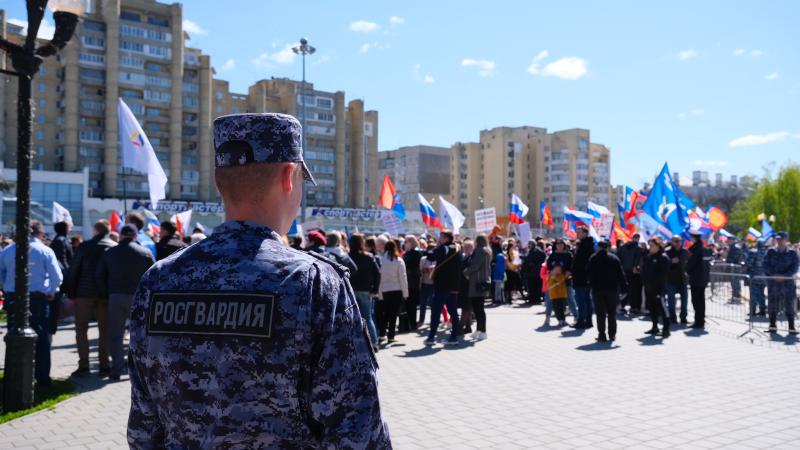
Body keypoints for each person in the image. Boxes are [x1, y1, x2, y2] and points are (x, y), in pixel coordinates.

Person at [127, 113, 390, 448]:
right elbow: (358, 431)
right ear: (288, 177)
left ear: (218, 180)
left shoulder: (158, 280)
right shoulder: (313, 283)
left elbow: (144, 427)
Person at [0, 220, 63, 386]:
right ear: (40, 233)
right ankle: (42, 378)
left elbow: (1, 273)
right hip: (37, 298)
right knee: (41, 339)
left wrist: (6, 288)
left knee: (13, 335)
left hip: (14, 297)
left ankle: (13, 376)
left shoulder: (8, 250)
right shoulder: (44, 250)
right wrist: (51, 291)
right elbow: (57, 277)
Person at [95, 225, 154, 381]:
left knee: (115, 335)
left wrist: (107, 294)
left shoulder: (110, 252)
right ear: (135, 236)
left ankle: (116, 369)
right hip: (138, 297)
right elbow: (154, 276)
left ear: (121, 236)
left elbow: (99, 275)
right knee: (139, 335)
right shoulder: (145, 253)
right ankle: (139, 370)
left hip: (115, 296)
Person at [64, 219, 116, 376]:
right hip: (105, 295)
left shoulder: (84, 246)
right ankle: (104, 365)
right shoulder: (113, 247)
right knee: (105, 330)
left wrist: (71, 293)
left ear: (95, 230)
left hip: (84, 293)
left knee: (81, 329)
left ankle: (84, 365)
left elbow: (74, 270)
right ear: (108, 231)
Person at [424, 230, 462, 346]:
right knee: (453, 311)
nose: (439, 238)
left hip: (442, 285)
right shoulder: (457, 247)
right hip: (454, 285)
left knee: (436, 311)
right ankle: (454, 336)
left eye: (440, 236)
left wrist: (434, 247)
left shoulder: (444, 248)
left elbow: (430, 256)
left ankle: (431, 337)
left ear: (446, 238)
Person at [587, 240, 627, 342]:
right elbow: (621, 275)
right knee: (612, 313)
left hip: (598, 291)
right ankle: (612, 335)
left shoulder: (593, 258)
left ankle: (602, 335)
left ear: (599, 247)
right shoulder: (614, 258)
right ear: (607, 248)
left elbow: (589, 275)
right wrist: (624, 289)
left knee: (600, 314)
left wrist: (591, 287)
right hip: (612, 290)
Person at [349, 233, 381, 351]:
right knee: (367, 317)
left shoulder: (347, 257)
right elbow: (377, 273)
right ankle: (373, 342)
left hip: (351, 290)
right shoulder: (368, 257)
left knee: (352, 318)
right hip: (365, 291)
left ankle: (353, 342)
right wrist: (375, 290)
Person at [763, 232, 798, 333]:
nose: (779, 241)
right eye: (777, 239)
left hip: (787, 283)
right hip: (773, 282)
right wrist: (773, 274)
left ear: (786, 240)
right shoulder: (771, 251)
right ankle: (772, 326)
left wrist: (784, 276)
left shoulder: (792, 252)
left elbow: (795, 267)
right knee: (772, 304)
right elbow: (765, 264)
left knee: (789, 304)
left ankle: (791, 327)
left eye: (781, 239)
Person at [377, 240, 408, 344]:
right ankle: (391, 336)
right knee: (394, 314)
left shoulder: (381, 260)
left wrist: (379, 293)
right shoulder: (399, 260)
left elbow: (379, 279)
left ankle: (382, 334)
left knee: (385, 313)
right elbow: (403, 278)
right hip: (397, 290)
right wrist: (405, 293)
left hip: (385, 290)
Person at [641, 237, 671, 338]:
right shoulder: (649, 257)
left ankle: (666, 329)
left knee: (663, 309)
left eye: (652, 245)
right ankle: (654, 327)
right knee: (652, 309)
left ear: (658, 246)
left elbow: (663, 275)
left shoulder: (663, 258)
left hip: (659, 289)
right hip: (649, 288)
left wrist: (660, 289)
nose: (650, 247)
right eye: (649, 245)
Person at [465, 234, 492, 340]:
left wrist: (465, 272)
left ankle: (483, 331)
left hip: (477, 282)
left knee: (478, 309)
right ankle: (479, 330)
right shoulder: (487, 251)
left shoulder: (480, 251)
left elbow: (475, 266)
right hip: (482, 281)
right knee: (478, 309)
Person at [49, 221, 73, 335]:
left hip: (62, 272)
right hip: (62, 273)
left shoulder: (59, 239)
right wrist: (68, 273)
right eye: (68, 227)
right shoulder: (61, 240)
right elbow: (62, 259)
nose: (70, 229)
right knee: (57, 299)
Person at [686, 230, 711, 329]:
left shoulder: (695, 250)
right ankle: (701, 319)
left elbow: (690, 264)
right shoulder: (705, 249)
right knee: (701, 300)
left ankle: (698, 321)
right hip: (704, 278)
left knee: (696, 300)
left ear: (693, 238)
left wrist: (686, 270)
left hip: (696, 278)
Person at [571, 227, 595, 329]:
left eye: (579, 232)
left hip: (582, 277)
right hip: (583, 276)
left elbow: (581, 262)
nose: (577, 234)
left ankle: (582, 321)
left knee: (582, 300)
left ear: (585, 233)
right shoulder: (585, 244)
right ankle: (588, 321)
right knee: (586, 299)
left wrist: (574, 270)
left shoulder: (585, 245)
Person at [666, 236, 690, 325]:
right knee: (671, 301)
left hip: (682, 280)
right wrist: (671, 262)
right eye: (675, 241)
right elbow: (663, 266)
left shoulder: (685, 251)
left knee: (685, 301)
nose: (677, 243)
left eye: (679, 241)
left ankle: (683, 318)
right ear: (672, 242)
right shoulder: (667, 252)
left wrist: (688, 272)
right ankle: (673, 318)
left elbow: (689, 262)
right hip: (671, 280)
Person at [618, 234, 644, 314]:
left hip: (624, 270)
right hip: (633, 271)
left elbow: (620, 257)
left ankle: (622, 305)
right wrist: (635, 267)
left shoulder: (624, 247)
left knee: (624, 289)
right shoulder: (638, 248)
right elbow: (637, 259)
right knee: (633, 290)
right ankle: (633, 307)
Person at [402, 235, 423, 332]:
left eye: (406, 242)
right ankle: (409, 323)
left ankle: (412, 324)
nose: (404, 244)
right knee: (408, 304)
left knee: (411, 304)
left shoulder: (415, 252)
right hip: (409, 281)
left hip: (412, 282)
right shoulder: (408, 252)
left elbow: (411, 266)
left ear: (411, 242)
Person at [745, 239, 768, 317]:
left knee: (753, 294)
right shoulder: (767, 253)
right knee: (761, 293)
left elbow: (748, 263)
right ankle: (762, 310)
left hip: (754, 276)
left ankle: (753, 311)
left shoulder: (753, 252)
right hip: (764, 277)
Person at [459, 238, 474, 335]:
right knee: (466, 307)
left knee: (466, 307)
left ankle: (459, 327)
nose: (464, 249)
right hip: (463, 285)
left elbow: (471, 271)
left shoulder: (472, 258)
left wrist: (467, 276)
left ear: (470, 248)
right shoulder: (465, 257)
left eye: (466, 247)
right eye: (464, 247)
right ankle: (468, 327)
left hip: (469, 285)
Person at [419, 247, 436, 326]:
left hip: (434, 284)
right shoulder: (423, 259)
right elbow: (420, 270)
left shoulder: (437, 259)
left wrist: (433, 270)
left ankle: (434, 320)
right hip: (424, 283)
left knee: (433, 304)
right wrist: (425, 270)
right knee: (423, 303)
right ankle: (421, 320)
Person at [726, 237, 746, 302]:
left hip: (735, 268)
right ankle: (734, 297)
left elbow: (736, 257)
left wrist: (729, 262)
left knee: (736, 283)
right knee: (733, 283)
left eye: (728, 240)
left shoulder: (735, 247)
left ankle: (737, 297)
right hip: (733, 268)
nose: (727, 242)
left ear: (732, 240)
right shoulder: (732, 247)